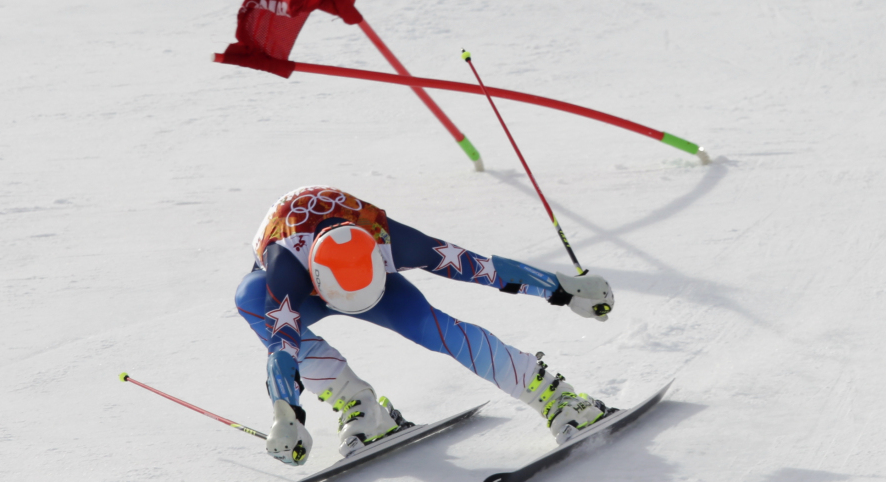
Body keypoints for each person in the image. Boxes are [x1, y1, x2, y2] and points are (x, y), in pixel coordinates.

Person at [235, 186, 615, 466]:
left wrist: (563, 288)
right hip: (302, 291)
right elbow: (282, 349)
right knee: (250, 299)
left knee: (435, 328)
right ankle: (359, 406)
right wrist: (287, 415)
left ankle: (554, 396)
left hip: (369, 282)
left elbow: (481, 268)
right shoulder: (286, 273)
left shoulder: (392, 239)